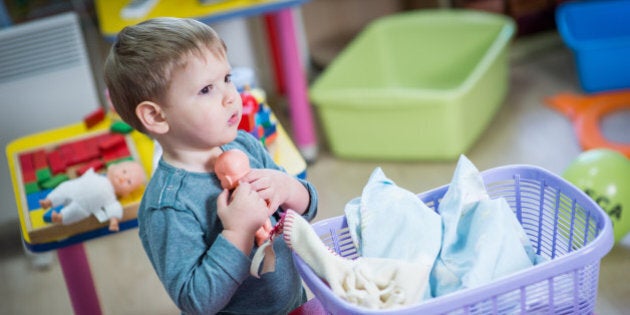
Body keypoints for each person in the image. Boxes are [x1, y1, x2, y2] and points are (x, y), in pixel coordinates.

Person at [104, 17, 318, 314]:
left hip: (294, 303)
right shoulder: (168, 207)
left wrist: (290, 188)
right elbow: (196, 302)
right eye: (206, 89)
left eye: (227, 79)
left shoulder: (244, 144)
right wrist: (237, 232)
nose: (231, 96)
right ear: (156, 117)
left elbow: (305, 212)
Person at [39, 161, 146, 232]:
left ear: (126, 193)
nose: (123, 177)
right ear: (112, 168)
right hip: (75, 188)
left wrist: (114, 220)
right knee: (63, 188)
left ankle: (60, 217)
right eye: (124, 171)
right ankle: (49, 201)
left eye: (129, 182)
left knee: (74, 212)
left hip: (83, 206)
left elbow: (114, 208)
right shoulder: (97, 176)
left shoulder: (111, 198)